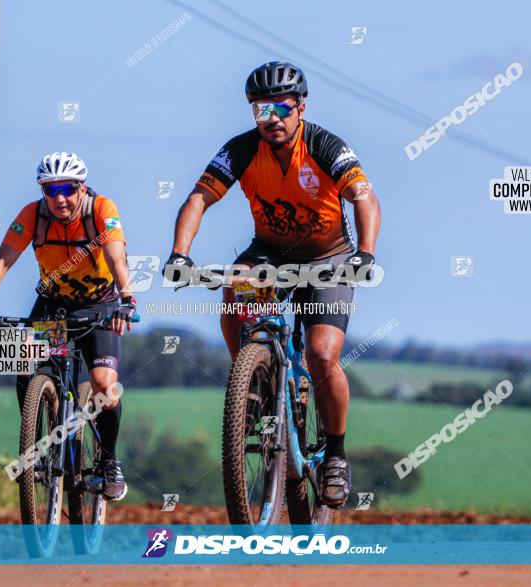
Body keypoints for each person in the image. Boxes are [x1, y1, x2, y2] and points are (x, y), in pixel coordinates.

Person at [163, 62, 381, 507]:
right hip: (269, 254)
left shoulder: (324, 145)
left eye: (282, 107)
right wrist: (180, 255)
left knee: (321, 356)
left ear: (300, 107)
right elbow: (198, 198)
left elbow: (364, 197)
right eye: (262, 109)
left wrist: (366, 254)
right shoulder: (242, 150)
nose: (273, 118)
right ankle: (252, 385)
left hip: (330, 259)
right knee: (232, 289)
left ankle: (335, 456)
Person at [0, 152, 135, 501]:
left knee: (104, 384)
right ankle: (39, 432)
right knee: (26, 363)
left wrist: (127, 298)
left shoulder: (102, 209)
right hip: (53, 304)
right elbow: (3, 259)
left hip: (99, 304)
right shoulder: (32, 215)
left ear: (82, 188)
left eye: (67, 189)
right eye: (50, 190)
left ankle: (108, 460)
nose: (59, 198)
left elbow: (116, 255)